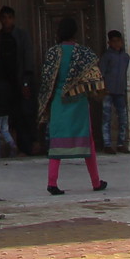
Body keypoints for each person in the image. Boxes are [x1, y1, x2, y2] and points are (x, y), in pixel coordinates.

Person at [37, 17, 107, 194]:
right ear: (75, 32)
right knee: (87, 142)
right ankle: (96, 182)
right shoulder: (84, 54)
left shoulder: (53, 53)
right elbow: (95, 80)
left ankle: (52, 182)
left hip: (59, 104)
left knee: (56, 143)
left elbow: (46, 82)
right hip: (78, 104)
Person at [0, 5, 36, 153]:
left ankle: (29, 144)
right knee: (13, 115)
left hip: (22, 80)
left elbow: (27, 57)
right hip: (7, 82)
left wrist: (26, 81)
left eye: (9, 18)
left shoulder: (21, 35)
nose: (6, 21)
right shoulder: (0, 37)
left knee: (25, 113)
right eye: (4, 18)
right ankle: (19, 144)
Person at [99, 29, 130, 151]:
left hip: (120, 91)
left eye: (118, 41)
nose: (117, 44)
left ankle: (121, 143)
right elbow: (101, 73)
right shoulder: (107, 57)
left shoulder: (125, 57)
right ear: (109, 43)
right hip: (107, 91)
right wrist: (103, 88)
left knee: (123, 118)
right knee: (106, 118)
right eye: (114, 41)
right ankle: (107, 144)